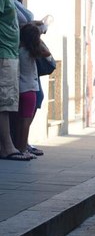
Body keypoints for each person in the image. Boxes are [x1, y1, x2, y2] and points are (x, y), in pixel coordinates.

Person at [9, 0, 46, 157]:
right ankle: (18, 144)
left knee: (33, 101)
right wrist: (34, 28)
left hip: (25, 57)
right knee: (25, 105)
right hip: (19, 55)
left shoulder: (17, 1)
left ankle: (22, 143)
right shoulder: (8, 1)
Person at [0, 0, 25, 161]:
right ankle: (8, 146)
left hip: (8, 52)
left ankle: (7, 145)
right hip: (3, 54)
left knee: (7, 100)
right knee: (5, 101)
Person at [13, 23, 49, 160]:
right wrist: (39, 39)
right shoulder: (33, 52)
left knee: (19, 121)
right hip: (30, 90)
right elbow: (47, 53)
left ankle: (18, 147)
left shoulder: (18, 50)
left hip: (19, 89)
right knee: (26, 122)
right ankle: (23, 148)